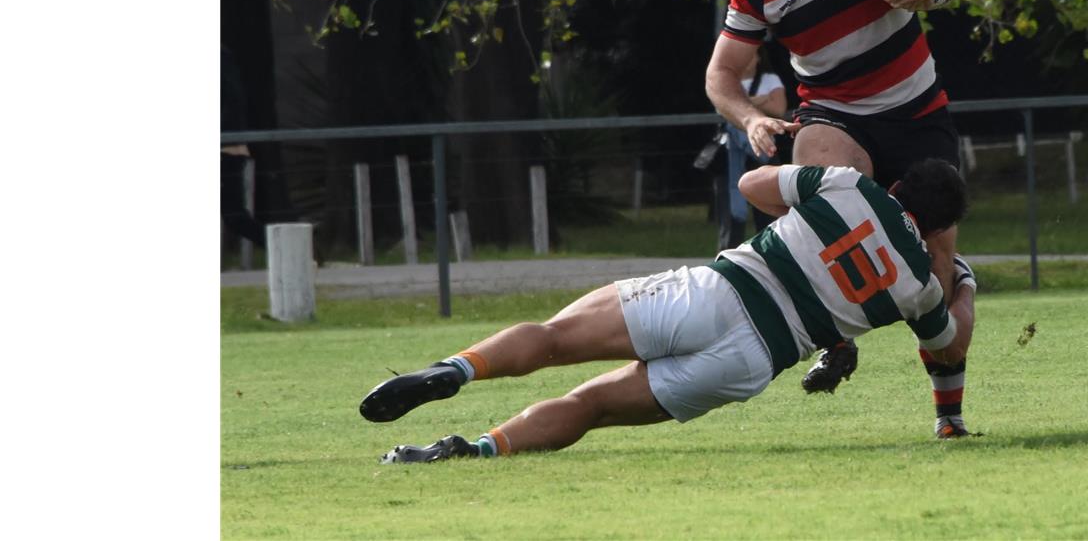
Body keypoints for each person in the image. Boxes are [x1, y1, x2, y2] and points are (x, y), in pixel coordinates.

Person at [360, 159, 976, 462]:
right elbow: (949, 344)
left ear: (897, 188)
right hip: (751, 360)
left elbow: (752, 186)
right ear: (942, 227)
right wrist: (963, 282)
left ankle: (456, 370)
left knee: (553, 339)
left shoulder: (849, 184)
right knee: (590, 406)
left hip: (714, 293)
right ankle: (478, 449)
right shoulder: (921, 286)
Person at [703, 0, 989, 437]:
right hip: (834, 115)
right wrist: (751, 119)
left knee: (933, 281)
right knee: (825, 213)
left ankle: (949, 417)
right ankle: (834, 339)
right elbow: (721, 75)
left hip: (917, 113)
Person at [718, 49, 788, 249]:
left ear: (758, 58)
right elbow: (722, 107)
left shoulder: (769, 79)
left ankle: (770, 252)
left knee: (766, 210)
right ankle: (727, 254)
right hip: (732, 152)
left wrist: (742, 104)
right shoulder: (729, 80)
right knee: (729, 208)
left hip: (763, 153)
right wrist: (761, 100)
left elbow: (778, 108)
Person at [221, 45, 269, 250]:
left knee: (235, 216)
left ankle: (293, 249)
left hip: (226, 149)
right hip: (229, 145)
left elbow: (231, 102)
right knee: (235, 216)